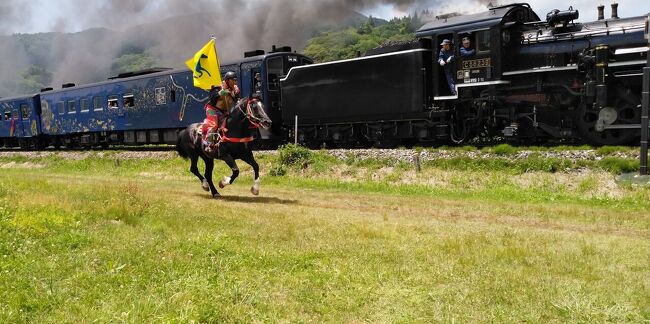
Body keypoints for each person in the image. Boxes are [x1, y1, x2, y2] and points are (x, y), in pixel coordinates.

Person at [201, 71, 240, 152]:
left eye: (235, 80)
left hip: (224, 111)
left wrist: (236, 96)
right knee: (214, 125)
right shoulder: (218, 87)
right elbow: (212, 98)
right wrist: (220, 93)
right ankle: (208, 144)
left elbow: (236, 99)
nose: (234, 82)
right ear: (227, 80)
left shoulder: (235, 88)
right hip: (212, 109)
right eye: (232, 80)